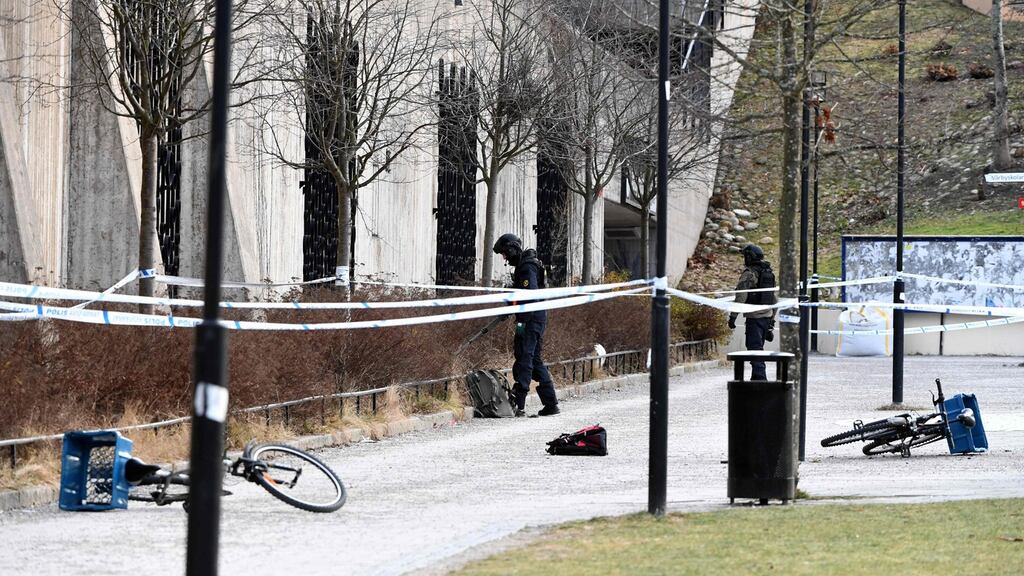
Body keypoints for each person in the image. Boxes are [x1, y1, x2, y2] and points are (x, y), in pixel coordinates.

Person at [492, 233, 560, 417]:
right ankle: (551, 404)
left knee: (525, 356)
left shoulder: (527, 266)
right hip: (532, 317)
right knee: (534, 359)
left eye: (505, 254)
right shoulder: (528, 264)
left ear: (512, 249)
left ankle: (518, 402)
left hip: (530, 319)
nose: (505, 258)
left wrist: (515, 301)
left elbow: (529, 294)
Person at [727, 244, 777, 381]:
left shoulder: (749, 273)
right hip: (766, 317)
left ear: (749, 257)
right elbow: (774, 299)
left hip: (754, 318)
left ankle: (760, 378)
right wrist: (772, 320)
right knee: (758, 347)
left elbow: (740, 297)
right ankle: (756, 376)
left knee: (754, 349)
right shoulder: (768, 273)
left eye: (745, 256)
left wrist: (733, 317)